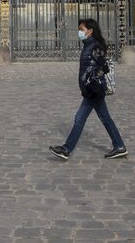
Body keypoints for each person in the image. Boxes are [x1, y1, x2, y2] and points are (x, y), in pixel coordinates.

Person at [49, 19, 127, 160]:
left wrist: (92, 78)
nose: (79, 32)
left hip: (94, 90)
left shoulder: (94, 47)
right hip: (91, 90)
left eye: (81, 29)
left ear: (90, 31)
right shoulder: (88, 45)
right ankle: (119, 146)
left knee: (80, 118)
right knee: (105, 118)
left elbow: (105, 67)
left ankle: (66, 149)